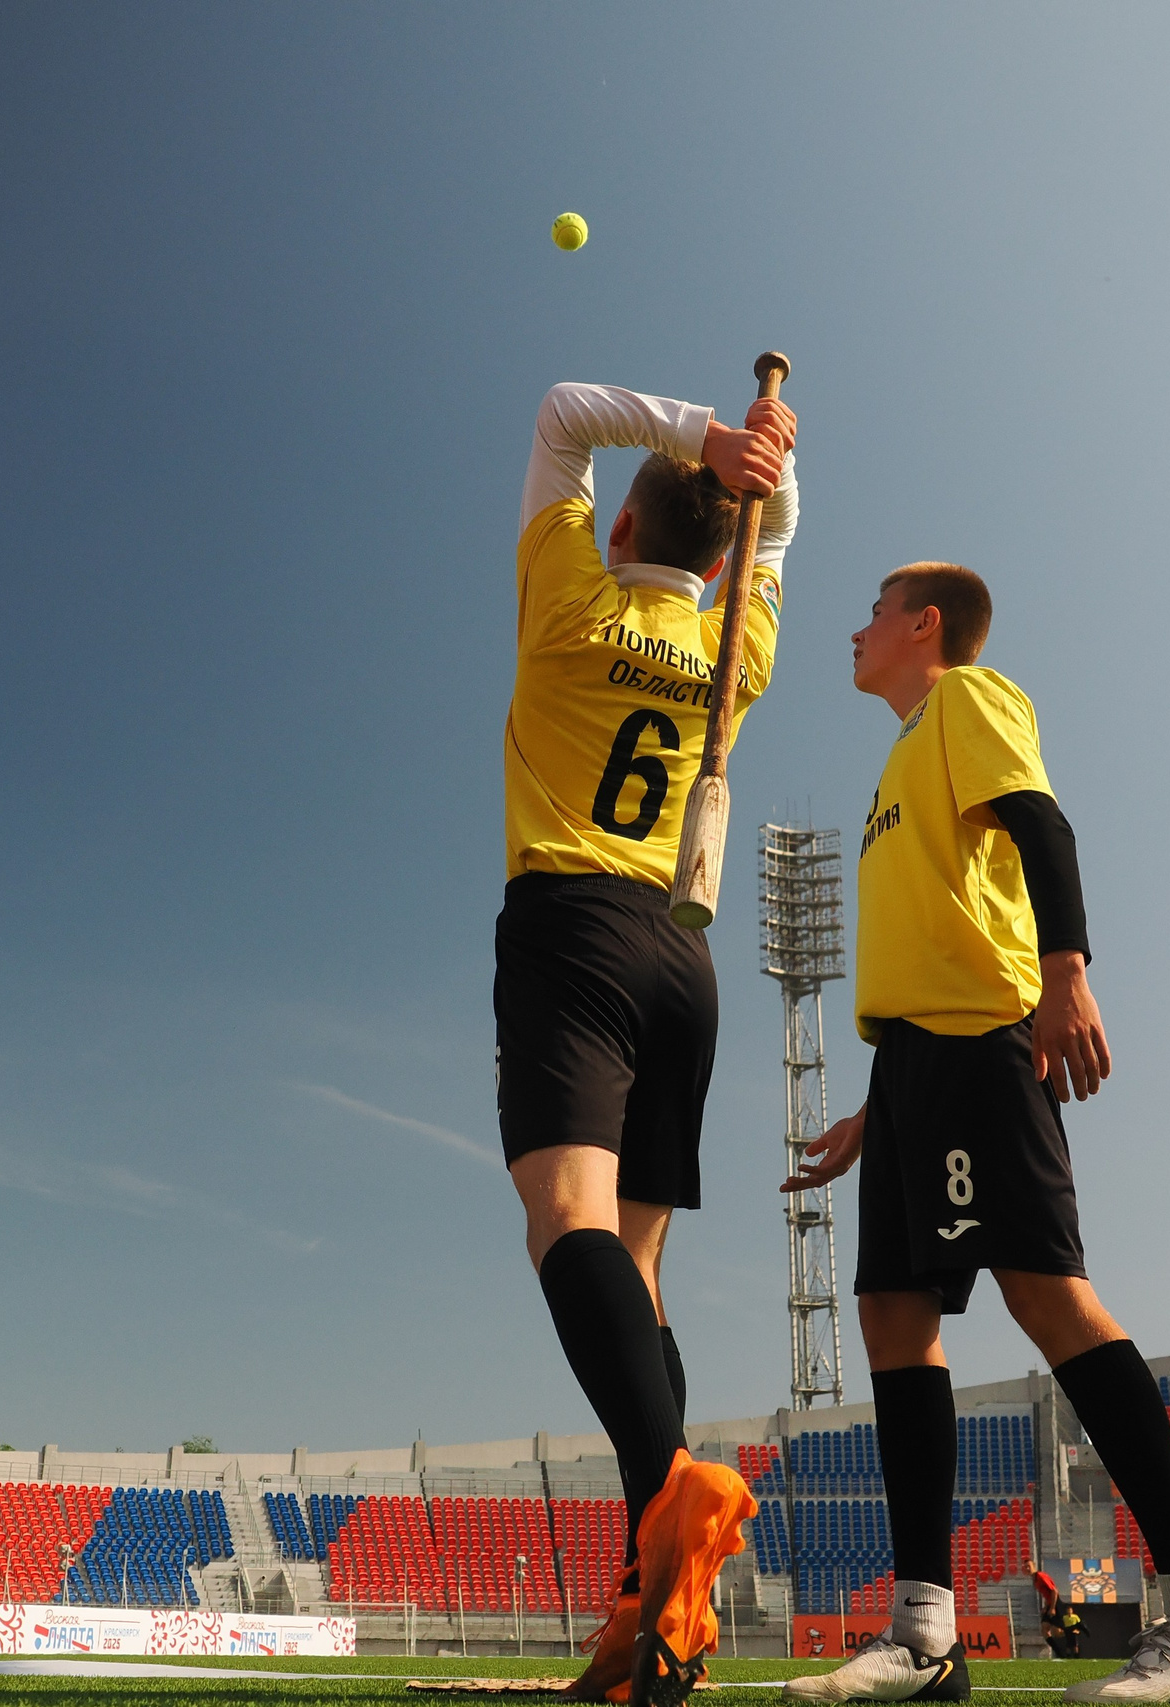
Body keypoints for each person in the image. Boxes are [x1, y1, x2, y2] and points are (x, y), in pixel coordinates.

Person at [781, 564, 1170, 1705]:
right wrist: (875, 1102)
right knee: (892, 1317)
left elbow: (1043, 824)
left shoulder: (968, 700)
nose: (853, 631)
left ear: (923, 625)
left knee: (1046, 1294)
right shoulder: (898, 758)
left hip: (981, 1044)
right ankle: (924, 1638)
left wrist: (1066, 974)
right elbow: (928, 934)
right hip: (911, 1068)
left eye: (871, 612)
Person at [499, 376, 798, 1703]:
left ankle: (672, 1494)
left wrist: (708, 442)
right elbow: (773, 526)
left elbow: (563, 407)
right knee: (641, 1265)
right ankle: (656, 1610)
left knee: (564, 1218)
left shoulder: (570, 599)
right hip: (687, 961)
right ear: (723, 554)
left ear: (626, 514)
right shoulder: (740, 643)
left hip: (573, 922)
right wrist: (758, 476)